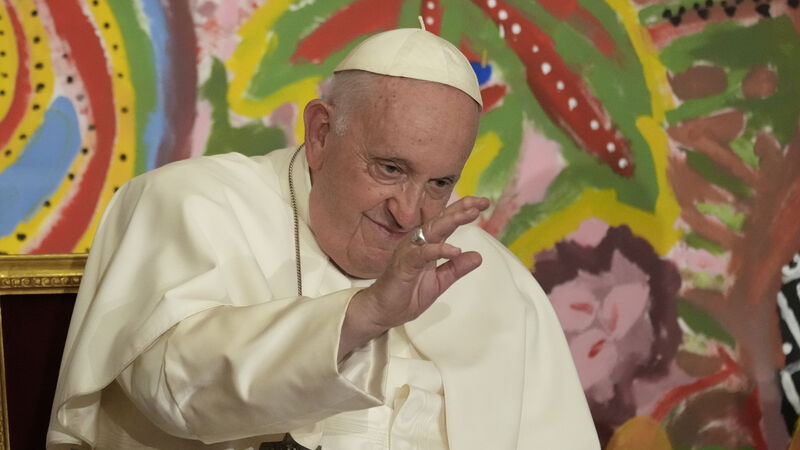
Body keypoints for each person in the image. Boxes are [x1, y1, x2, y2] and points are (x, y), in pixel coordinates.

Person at [46, 28, 599, 449]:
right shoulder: (191, 203)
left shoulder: (490, 276)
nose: (408, 212)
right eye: (389, 169)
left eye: (439, 183)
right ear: (320, 134)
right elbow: (172, 390)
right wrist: (364, 315)